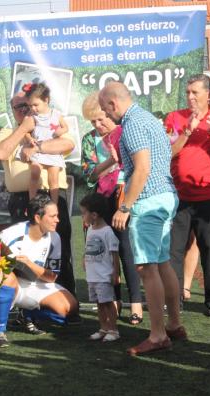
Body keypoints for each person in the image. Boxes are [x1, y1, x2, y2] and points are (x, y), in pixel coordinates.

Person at [99, 81, 186, 356]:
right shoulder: (147, 117)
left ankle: (159, 334)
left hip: (148, 201)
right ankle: (173, 324)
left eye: (104, 109)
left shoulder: (133, 124)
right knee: (162, 264)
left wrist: (124, 207)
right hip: (165, 196)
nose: (106, 116)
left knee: (147, 268)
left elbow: (142, 168)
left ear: (113, 104)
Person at [0, 92, 78, 319]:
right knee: (21, 255)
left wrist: (37, 146)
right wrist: (23, 129)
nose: (24, 109)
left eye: (27, 105)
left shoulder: (50, 122)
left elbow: (67, 143)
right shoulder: (8, 131)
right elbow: (1, 152)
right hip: (23, 200)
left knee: (60, 250)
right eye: (18, 107)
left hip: (52, 198)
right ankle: (24, 312)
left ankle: (66, 306)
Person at [164, 74, 210, 317]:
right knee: (174, 250)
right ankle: (173, 298)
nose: (190, 97)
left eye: (195, 92)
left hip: (209, 195)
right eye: (188, 92)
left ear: (208, 94)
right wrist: (187, 132)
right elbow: (167, 152)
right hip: (178, 196)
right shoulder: (175, 117)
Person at [81, 91, 144, 324]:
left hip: (123, 198)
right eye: (93, 121)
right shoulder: (90, 140)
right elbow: (88, 174)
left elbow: (136, 167)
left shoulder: (124, 133)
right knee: (104, 253)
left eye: (101, 118)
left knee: (126, 250)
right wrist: (110, 161)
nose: (98, 124)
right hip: (100, 201)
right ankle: (113, 302)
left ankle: (136, 303)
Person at [0, 193, 78, 347]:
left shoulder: (54, 238)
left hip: (38, 283)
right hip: (13, 284)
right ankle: (0, 331)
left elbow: (51, 277)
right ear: (38, 218)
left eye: (57, 215)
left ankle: (27, 314)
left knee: (69, 308)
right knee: (4, 274)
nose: (57, 220)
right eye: (52, 216)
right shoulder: (10, 234)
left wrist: (29, 264)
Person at [17, 83, 68, 205]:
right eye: (30, 105)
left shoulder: (56, 114)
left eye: (35, 105)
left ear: (46, 100)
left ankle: (54, 204)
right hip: (37, 150)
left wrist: (61, 130)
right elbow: (25, 131)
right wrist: (30, 140)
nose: (33, 108)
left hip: (53, 151)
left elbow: (65, 127)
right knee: (34, 173)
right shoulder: (31, 116)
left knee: (53, 178)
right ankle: (32, 202)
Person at [80, 193, 120, 342]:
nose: (82, 216)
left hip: (104, 275)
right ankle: (103, 328)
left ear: (94, 215)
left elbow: (114, 254)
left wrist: (116, 273)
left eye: (84, 213)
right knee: (99, 303)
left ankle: (114, 330)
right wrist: (84, 258)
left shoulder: (108, 232)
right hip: (92, 276)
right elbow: (88, 246)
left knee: (108, 302)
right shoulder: (90, 229)